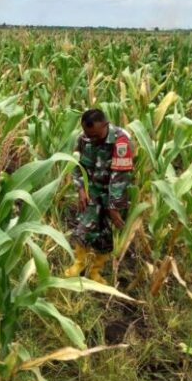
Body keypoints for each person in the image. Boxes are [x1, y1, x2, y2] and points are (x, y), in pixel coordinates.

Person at [65, 109, 134, 285]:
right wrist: (81, 188)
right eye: (88, 135)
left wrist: (113, 207)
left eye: (95, 135)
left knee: (104, 232)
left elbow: (120, 178)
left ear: (105, 125)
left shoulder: (121, 141)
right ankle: (78, 265)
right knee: (85, 225)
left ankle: (96, 270)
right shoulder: (84, 138)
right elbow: (77, 165)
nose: (91, 139)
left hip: (113, 192)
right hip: (92, 190)